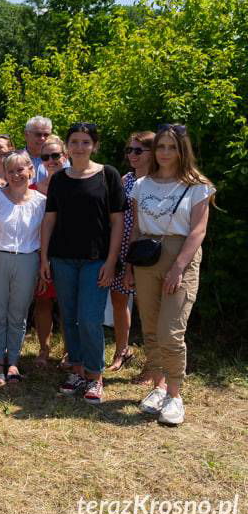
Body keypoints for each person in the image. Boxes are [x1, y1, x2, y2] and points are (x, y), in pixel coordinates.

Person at [125, 124, 215, 426]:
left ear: (182, 150)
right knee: (150, 328)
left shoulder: (198, 185)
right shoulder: (142, 184)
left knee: (170, 332)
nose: (165, 153)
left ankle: (175, 396)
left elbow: (198, 230)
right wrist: (128, 267)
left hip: (181, 256)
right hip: (146, 254)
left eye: (171, 147)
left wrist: (178, 267)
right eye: (160, 147)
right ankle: (159, 388)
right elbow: (136, 228)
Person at [40, 123, 125, 404]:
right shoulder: (60, 179)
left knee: (89, 318)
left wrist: (112, 261)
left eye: (85, 142)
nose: (79, 147)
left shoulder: (108, 175)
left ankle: (95, 376)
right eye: (74, 141)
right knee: (69, 316)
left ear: (94, 145)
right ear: (67, 146)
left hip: (96, 260)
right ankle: (76, 370)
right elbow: (49, 219)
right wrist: (44, 258)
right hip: (62, 258)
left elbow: (117, 222)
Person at [0, 152, 46, 385]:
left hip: (28, 260)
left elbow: (44, 237)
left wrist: (42, 265)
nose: (16, 175)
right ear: (4, 174)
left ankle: (14, 362)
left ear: (31, 171)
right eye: (11, 171)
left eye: (21, 170)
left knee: (18, 315)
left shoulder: (40, 201)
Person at [108, 131, 154, 372]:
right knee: (118, 301)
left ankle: (152, 363)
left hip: (148, 249)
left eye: (138, 150)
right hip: (122, 246)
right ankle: (121, 351)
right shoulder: (125, 179)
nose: (132, 155)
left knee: (149, 308)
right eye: (129, 150)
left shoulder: (159, 181)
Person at [29, 135, 66, 368]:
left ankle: (70, 351)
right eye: (46, 157)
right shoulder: (33, 189)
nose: (51, 160)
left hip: (70, 253)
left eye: (56, 155)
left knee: (69, 305)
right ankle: (44, 348)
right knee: (43, 303)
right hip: (41, 253)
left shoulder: (77, 184)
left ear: (65, 156)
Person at [22, 115, 54, 184]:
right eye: (38, 134)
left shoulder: (58, 159)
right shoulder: (15, 159)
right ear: (26, 135)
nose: (42, 138)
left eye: (46, 135)